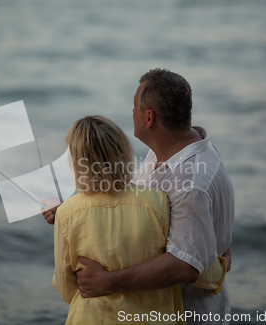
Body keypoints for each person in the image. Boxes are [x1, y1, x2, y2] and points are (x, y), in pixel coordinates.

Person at [43, 69, 234, 325]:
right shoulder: (166, 151)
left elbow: (185, 265)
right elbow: (131, 202)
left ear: (149, 117)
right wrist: (76, 211)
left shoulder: (189, 182)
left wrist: (108, 281)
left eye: (135, 106)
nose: (131, 112)